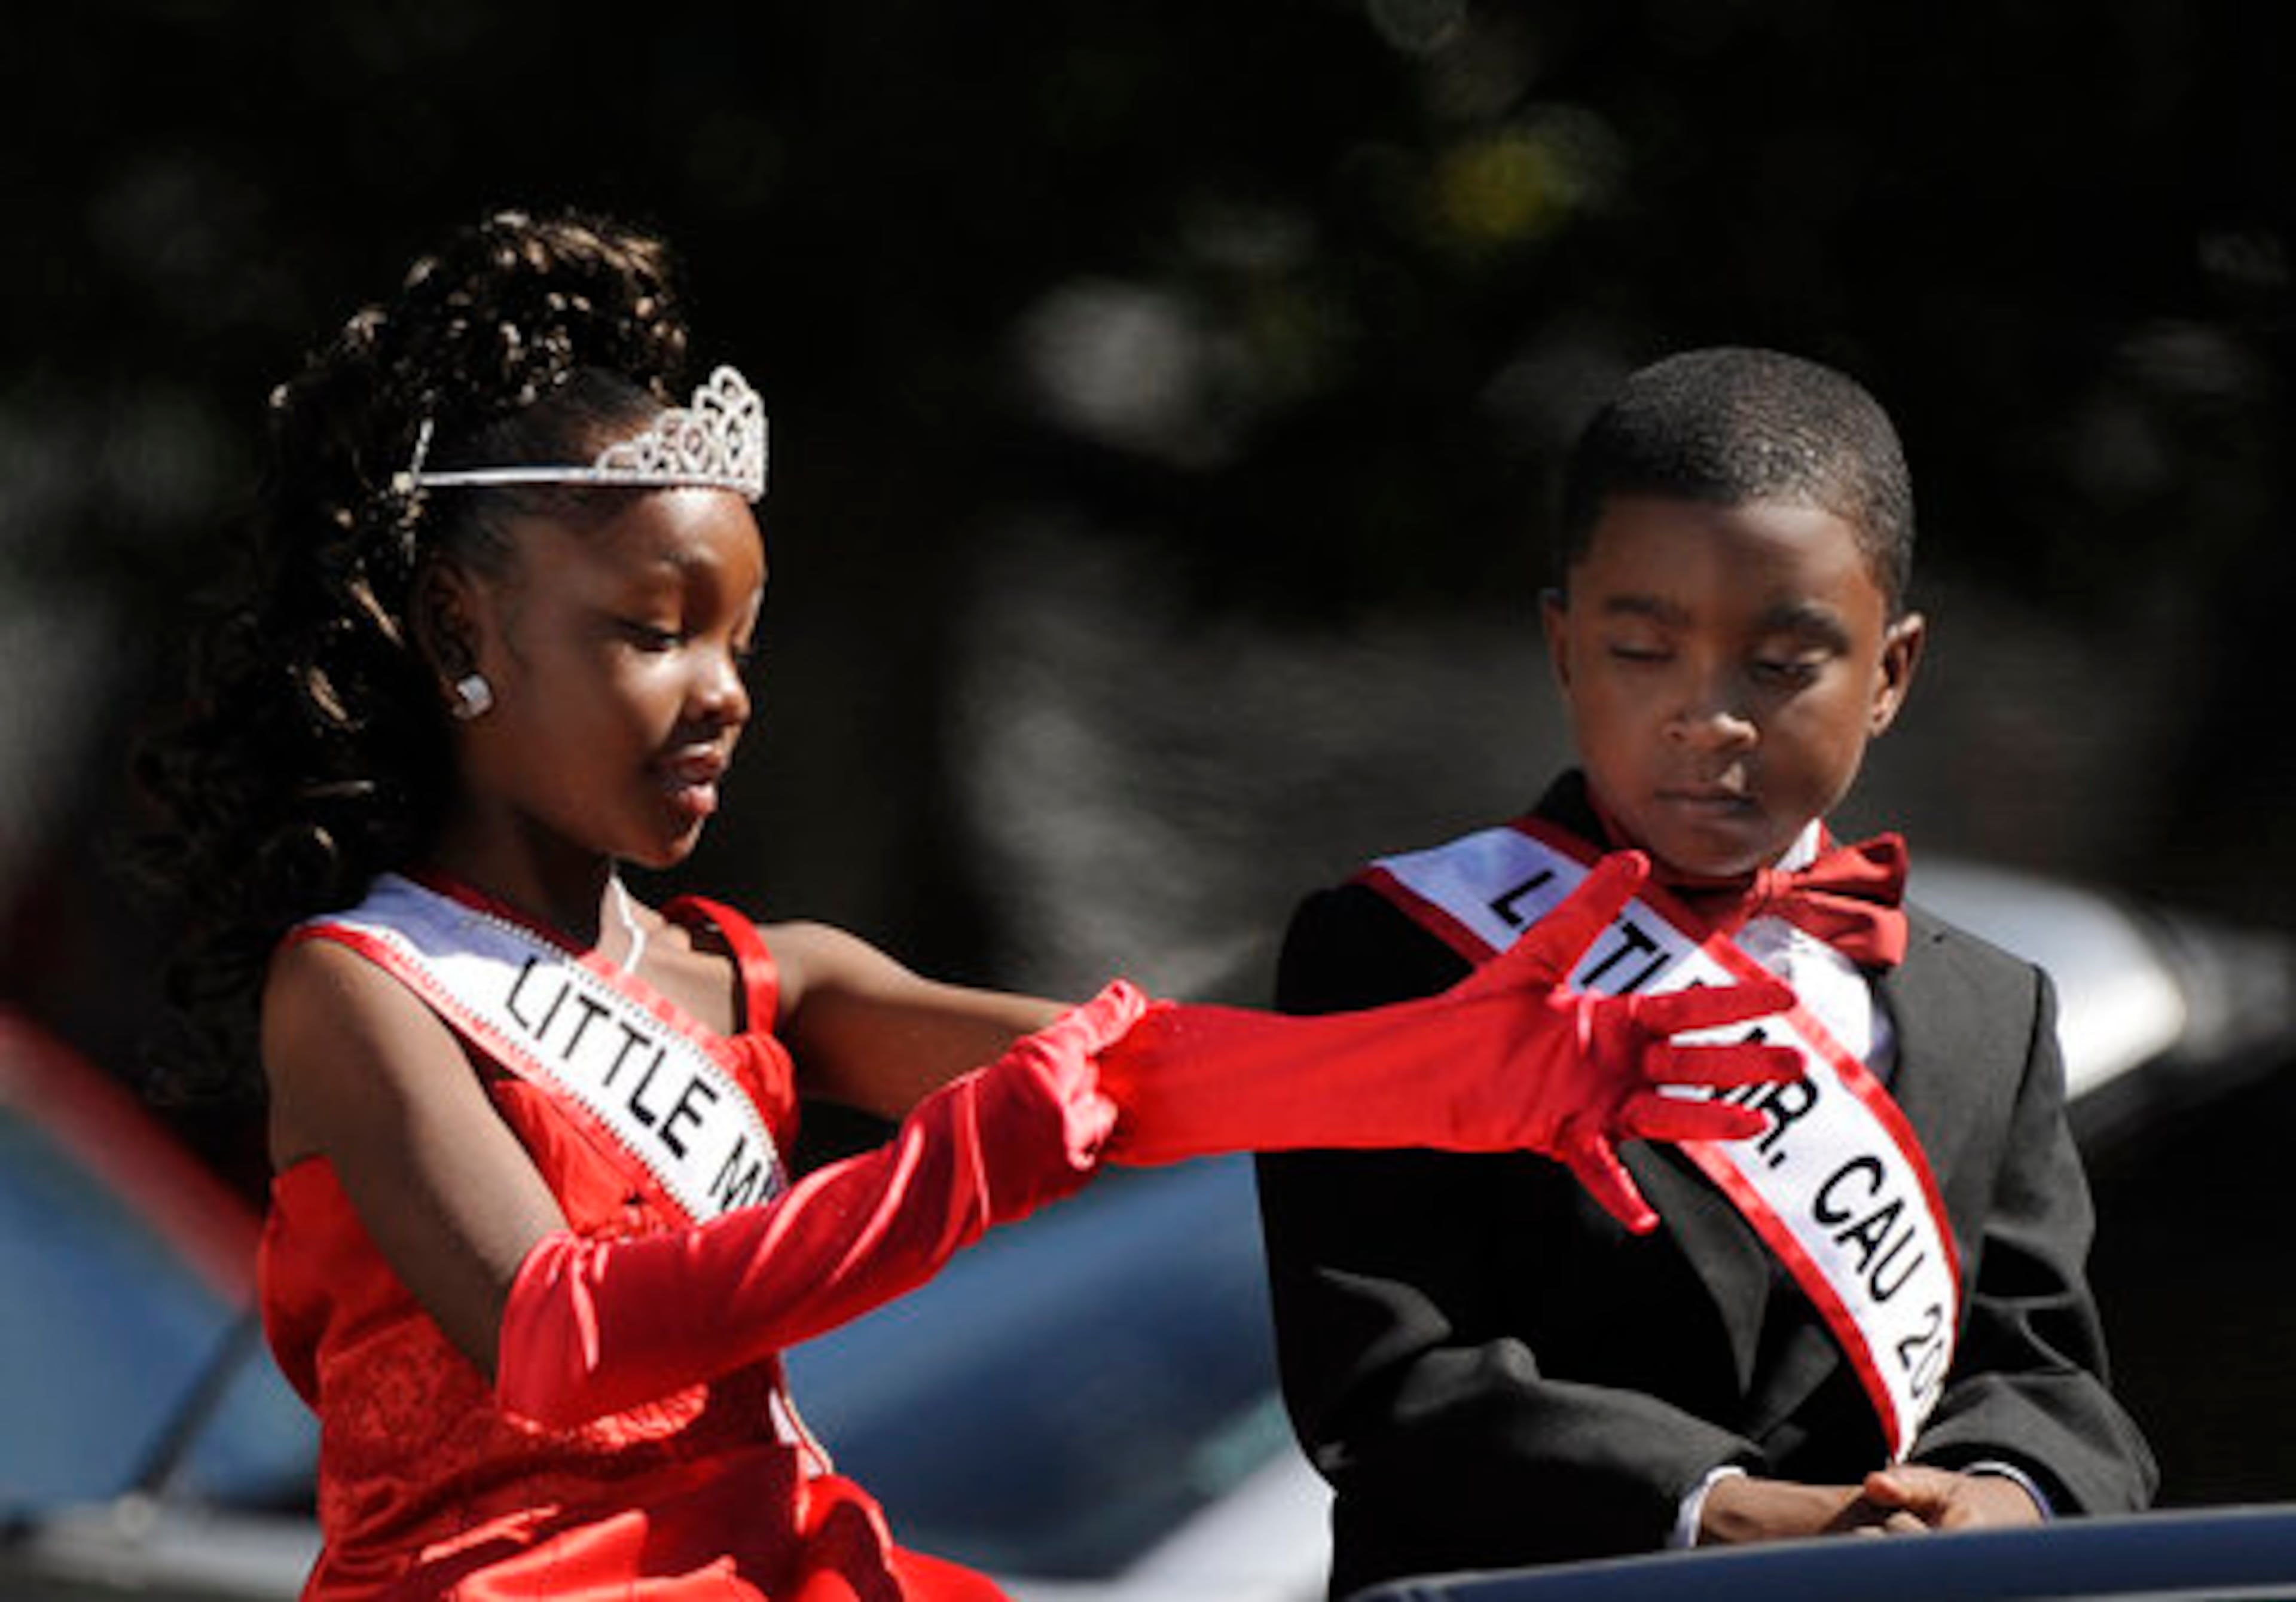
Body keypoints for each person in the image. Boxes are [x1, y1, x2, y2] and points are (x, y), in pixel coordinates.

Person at [132, 213, 1801, 1602]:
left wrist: (1458, 1072)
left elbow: (1127, 1078)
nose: (721, 696)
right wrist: (958, 1165)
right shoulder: (359, 989)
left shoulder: (760, 976)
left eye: (741, 641)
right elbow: (561, 1337)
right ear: (453, 628)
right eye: (652, 633)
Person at [1254, 347, 2159, 1597]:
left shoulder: (1992, 1009)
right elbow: (1388, 1379)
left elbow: (2047, 1370)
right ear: (1563, 644)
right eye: (1642, 648)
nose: (1710, 714)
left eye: (1783, 665)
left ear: (1890, 672)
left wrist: (2001, 1492)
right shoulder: (1403, 948)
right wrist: (1734, 1511)